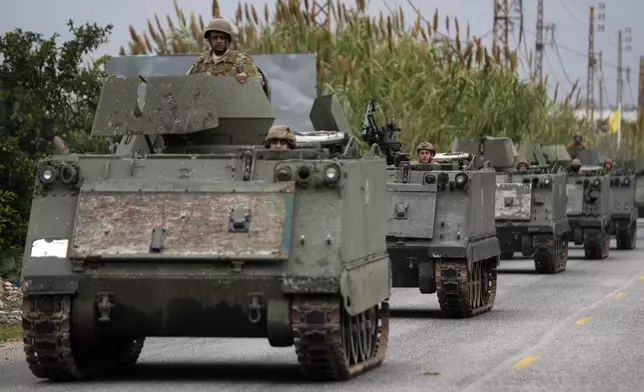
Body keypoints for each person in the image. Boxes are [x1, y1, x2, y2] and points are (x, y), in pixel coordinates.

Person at [186, 18, 263, 86]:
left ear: (228, 40)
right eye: (215, 38)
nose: (219, 41)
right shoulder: (202, 61)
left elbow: (259, 81)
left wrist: (246, 76)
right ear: (210, 40)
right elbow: (186, 82)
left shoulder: (241, 59)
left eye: (222, 37)